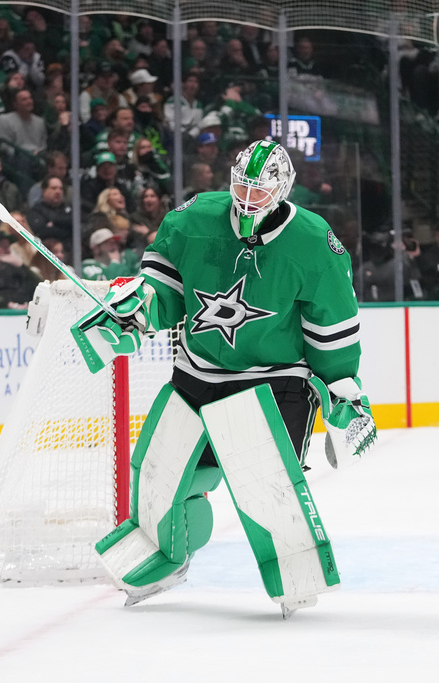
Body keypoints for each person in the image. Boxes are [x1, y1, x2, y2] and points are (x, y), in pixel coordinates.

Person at [65, 139, 375, 616]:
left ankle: (295, 568)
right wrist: (137, 309)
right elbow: (164, 288)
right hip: (197, 374)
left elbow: (332, 328)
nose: (248, 200)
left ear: (283, 190)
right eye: (242, 187)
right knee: (160, 476)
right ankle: (164, 556)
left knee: (267, 487)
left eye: (259, 191)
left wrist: (342, 387)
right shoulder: (194, 219)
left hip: (274, 382)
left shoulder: (314, 242)